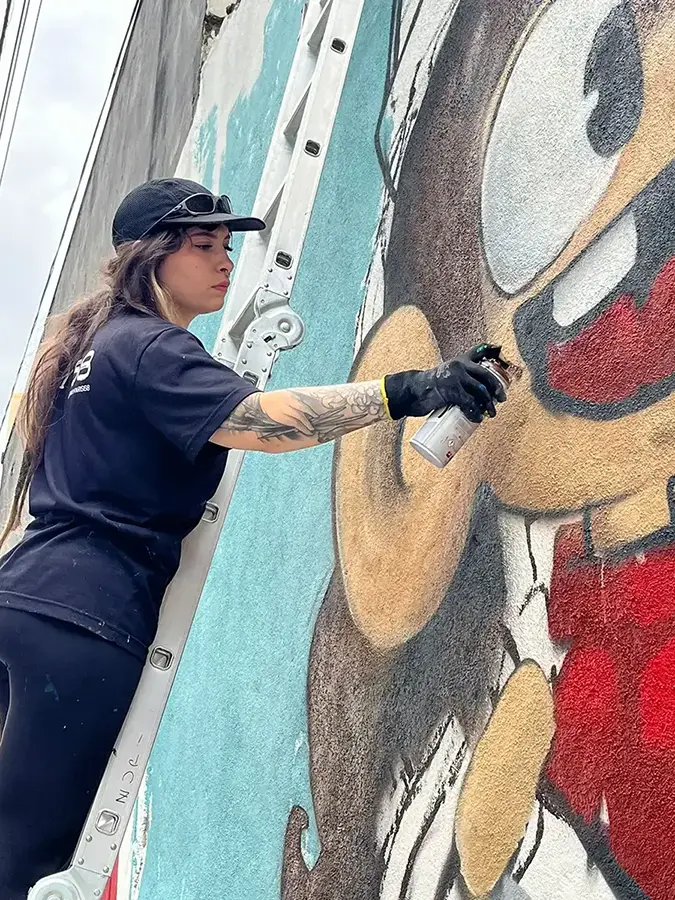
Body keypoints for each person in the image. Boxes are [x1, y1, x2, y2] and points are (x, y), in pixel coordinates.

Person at [0, 176, 505, 897]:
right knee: (30, 865)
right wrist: (409, 391)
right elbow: (265, 421)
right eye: (204, 245)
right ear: (153, 256)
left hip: (21, 603)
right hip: (83, 622)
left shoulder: (89, 350)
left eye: (228, 246)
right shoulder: (149, 347)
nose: (225, 261)